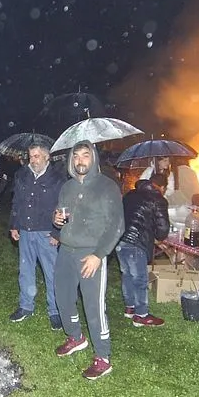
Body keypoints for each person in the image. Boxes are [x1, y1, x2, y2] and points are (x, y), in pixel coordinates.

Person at [52, 141, 125, 380]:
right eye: (76, 156)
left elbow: (116, 226)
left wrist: (98, 255)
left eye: (85, 155)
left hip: (91, 254)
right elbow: (61, 218)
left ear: (93, 158)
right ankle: (76, 337)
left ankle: (103, 357)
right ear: (72, 161)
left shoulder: (107, 187)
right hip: (66, 251)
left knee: (93, 307)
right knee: (62, 297)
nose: (80, 160)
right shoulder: (67, 187)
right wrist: (57, 221)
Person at [8, 144, 67, 330]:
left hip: (47, 232)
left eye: (36, 156)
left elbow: (64, 207)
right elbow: (16, 201)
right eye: (31, 156)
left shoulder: (58, 179)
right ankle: (26, 306)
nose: (33, 160)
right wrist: (14, 225)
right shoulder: (22, 175)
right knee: (26, 270)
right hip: (25, 230)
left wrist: (58, 233)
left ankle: (55, 310)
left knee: (51, 273)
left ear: (47, 157)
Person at [117, 179, 170, 326]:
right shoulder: (158, 199)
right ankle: (141, 315)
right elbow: (162, 228)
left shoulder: (129, 195)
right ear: (160, 187)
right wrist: (158, 236)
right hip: (137, 242)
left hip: (120, 240)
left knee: (127, 274)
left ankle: (130, 307)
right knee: (140, 279)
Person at [141, 156, 199, 221]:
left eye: (168, 161)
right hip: (148, 202)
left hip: (162, 202)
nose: (167, 163)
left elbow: (171, 190)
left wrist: (163, 190)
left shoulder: (169, 174)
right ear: (158, 161)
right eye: (165, 161)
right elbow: (141, 185)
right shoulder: (149, 171)